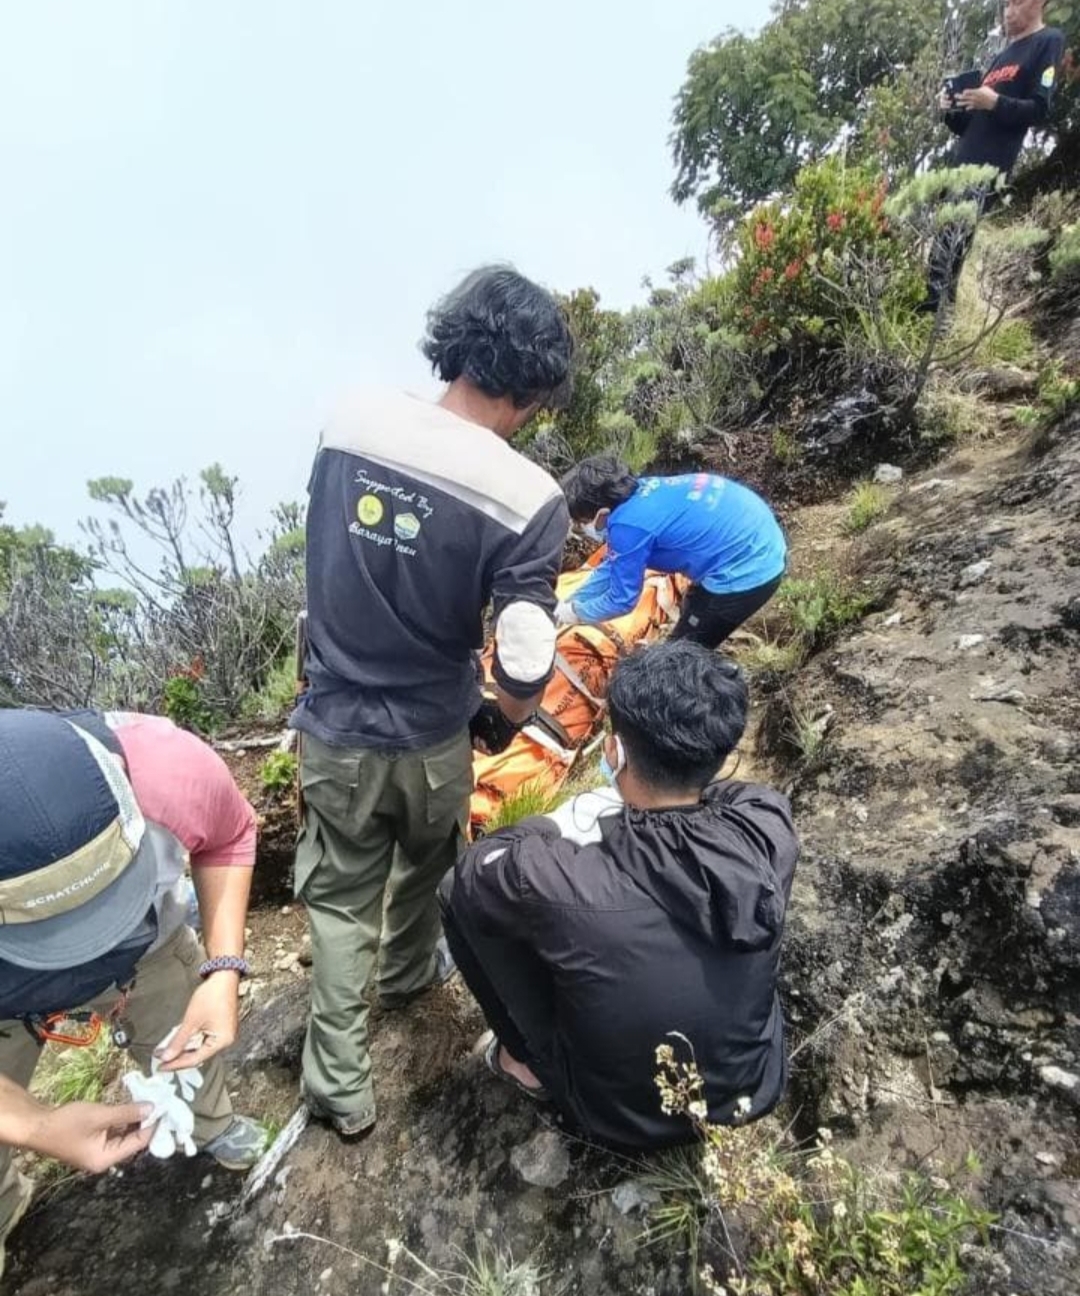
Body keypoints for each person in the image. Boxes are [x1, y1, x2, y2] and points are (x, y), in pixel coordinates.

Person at [291, 265, 574, 1138]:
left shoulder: (351, 422)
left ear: (456, 343)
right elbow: (526, 644)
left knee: (340, 905)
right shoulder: (528, 497)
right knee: (427, 864)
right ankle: (412, 972)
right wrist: (513, 712)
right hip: (435, 738)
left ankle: (339, 1086)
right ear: (530, 389)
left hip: (337, 729)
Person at [440, 640, 799, 1150]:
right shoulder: (767, 827)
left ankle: (525, 1063)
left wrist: (560, 821)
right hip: (751, 1088)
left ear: (616, 752)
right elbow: (729, 798)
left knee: (455, 893)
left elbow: (475, 871)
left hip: (617, 1118)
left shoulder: (558, 876)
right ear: (719, 754)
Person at [0, 708, 263, 1280]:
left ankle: (208, 1125)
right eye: (54, 935)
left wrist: (222, 971)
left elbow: (230, 834)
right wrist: (36, 1126)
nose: (88, 948)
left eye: (111, 899)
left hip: (151, 954)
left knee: (185, 1044)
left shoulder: (169, 769)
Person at [556, 457, 786, 649]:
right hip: (758, 535)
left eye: (582, 522)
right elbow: (613, 564)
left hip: (748, 569)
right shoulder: (639, 491)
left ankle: (706, 682)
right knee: (693, 608)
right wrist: (570, 602)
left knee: (679, 655)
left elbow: (621, 600)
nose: (582, 528)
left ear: (602, 512)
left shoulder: (629, 527)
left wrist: (576, 613)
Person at [923, 0, 1066, 312]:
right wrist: (950, 110)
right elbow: (972, 125)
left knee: (953, 241)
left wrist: (995, 102)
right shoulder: (1001, 55)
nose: (1008, 10)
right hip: (962, 162)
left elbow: (1040, 109)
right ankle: (934, 312)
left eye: (1017, 2)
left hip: (990, 165)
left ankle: (938, 318)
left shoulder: (1049, 41)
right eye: (1006, 4)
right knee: (943, 241)